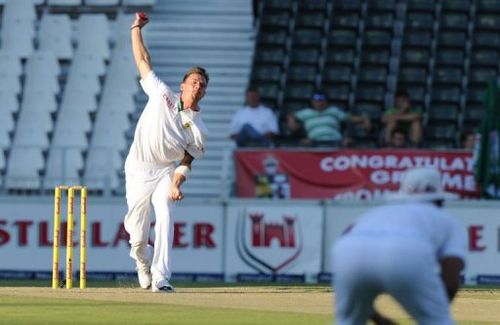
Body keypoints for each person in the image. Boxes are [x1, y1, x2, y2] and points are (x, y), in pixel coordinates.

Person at [124, 12, 209, 293]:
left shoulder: (200, 127)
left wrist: (176, 182)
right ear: (183, 85)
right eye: (194, 82)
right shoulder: (162, 94)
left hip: (164, 171)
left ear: (204, 93)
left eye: (202, 84)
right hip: (138, 167)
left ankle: (161, 276)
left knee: (166, 214)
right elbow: (143, 61)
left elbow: (188, 158)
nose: (197, 86)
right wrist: (136, 28)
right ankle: (142, 260)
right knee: (137, 237)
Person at [331, 167, 466, 324]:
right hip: (406, 251)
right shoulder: (446, 220)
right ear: (440, 199)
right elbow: (451, 277)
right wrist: (435, 312)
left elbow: (356, 291)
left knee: (347, 321)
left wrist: (378, 319)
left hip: (347, 251)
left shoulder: (375, 213)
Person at [288, 90, 371, 147]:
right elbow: (291, 115)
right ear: (312, 102)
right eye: (316, 101)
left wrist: (365, 119)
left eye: (322, 100)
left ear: (326, 101)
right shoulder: (306, 113)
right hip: (315, 142)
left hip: (335, 142)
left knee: (348, 143)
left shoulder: (333, 111)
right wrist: (292, 122)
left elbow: (352, 118)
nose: (319, 103)